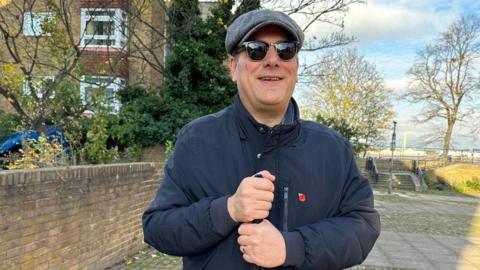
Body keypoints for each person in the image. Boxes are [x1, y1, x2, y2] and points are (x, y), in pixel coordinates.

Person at [142, 9, 380, 270]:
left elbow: (363, 226)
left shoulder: (332, 148)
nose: (272, 60)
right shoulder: (197, 139)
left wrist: (292, 247)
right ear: (234, 67)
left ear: (296, 66)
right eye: (256, 49)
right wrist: (228, 210)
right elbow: (158, 228)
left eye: (285, 49)